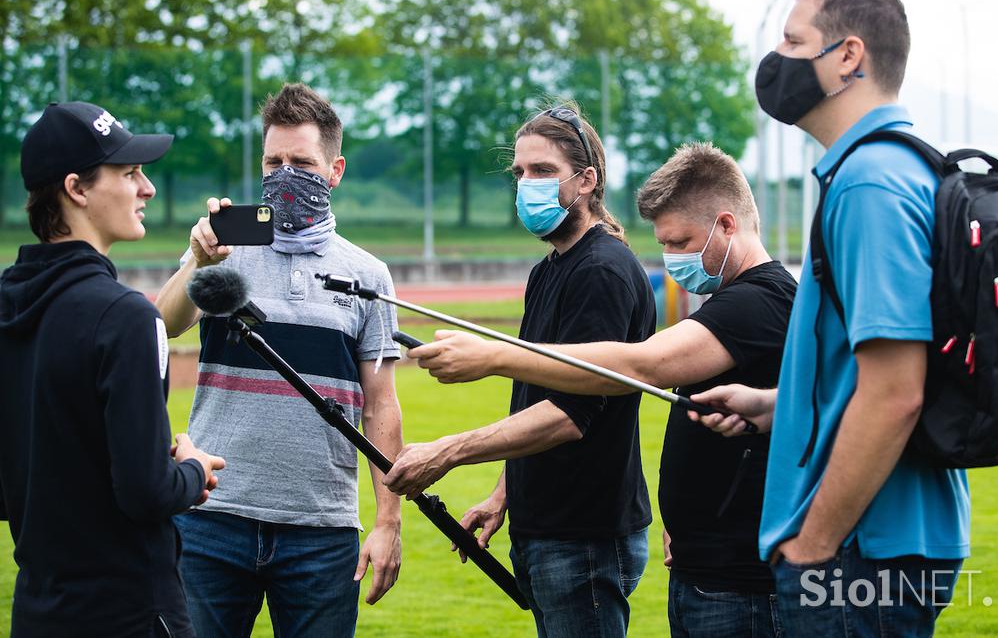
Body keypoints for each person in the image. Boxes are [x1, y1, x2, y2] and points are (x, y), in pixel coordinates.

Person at [410, 143, 796, 638]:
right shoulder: (730, 301)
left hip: (742, 579)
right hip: (706, 563)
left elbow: (644, 364)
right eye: (664, 243)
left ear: (727, 224)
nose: (672, 258)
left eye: (681, 241)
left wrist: (494, 356)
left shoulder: (760, 301)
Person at [692, 0, 971, 637]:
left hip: (858, 554)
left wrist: (814, 544)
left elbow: (895, 393)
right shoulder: (905, 167)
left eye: (794, 41)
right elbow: (876, 370)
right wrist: (774, 405)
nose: (778, 61)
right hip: (885, 545)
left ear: (848, 56)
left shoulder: (871, 181)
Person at [383, 104, 654, 637]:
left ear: (587, 180)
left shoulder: (602, 270)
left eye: (543, 171)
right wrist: (504, 494)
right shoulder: (548, 270)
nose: (526, 185)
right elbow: (539, 395)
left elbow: (570, 416)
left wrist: (448, 452)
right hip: (549, 529)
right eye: (520, 173)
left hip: (585, 537)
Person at [155, 83, 402, 637]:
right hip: (212, 517)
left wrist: (389, 522)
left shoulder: (368, 275)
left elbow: (382, 406)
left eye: (302, 162)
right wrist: (196, 259)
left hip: (320, 530)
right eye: (273, 161)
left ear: (335, 170)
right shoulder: (224, 248)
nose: (284, 173)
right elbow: (166, 324)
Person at [0, 101, 224, 637]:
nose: (146, 189)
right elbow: (146, 492)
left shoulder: (8, 305)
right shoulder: (125, 317)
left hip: (38, 609)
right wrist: (191, 470)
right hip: (129, 612)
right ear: (77, 189)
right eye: (129, 173)